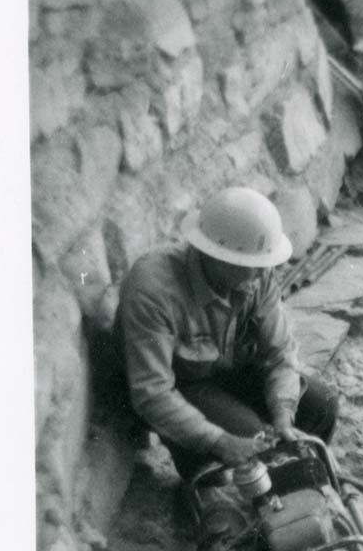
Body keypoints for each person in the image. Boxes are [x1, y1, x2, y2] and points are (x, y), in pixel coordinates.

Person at [119, 186, 339, 480]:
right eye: (254, 266)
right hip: (181, 387)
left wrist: (283, 415)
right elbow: (152, 392)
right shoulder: (153, 289)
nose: (264, 274)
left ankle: (296, 486)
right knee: (255, 442)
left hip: (225, 371)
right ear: (218, 257)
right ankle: (229, 500)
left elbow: (280, 354)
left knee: (320, 406)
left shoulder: (256, 274)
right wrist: (220, 441)